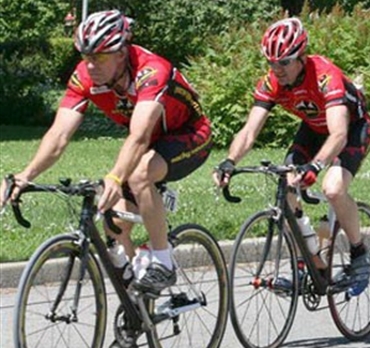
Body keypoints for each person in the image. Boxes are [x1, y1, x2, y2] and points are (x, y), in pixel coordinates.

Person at [0, 10, 213, 296]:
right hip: (150, 142)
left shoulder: (151, 71)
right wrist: (25, 175)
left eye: (99, 57)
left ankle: (163, 262)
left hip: (190, 134)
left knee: (138, 176)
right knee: (115, 224)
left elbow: (138, 137)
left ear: (122, 53)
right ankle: (137, 302)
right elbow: (59, 134)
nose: (90, 65)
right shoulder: (85, 77)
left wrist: (114, 177)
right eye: (86, 56)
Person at [212, 17, 370, 296]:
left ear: (301, 56)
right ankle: (310, 261)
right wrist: (230, 161)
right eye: (271, 63)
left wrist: (317, 165)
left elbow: (338, 134)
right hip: (312, 130)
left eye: (284, 62)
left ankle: (359, 252)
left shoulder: (325, 75)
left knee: (332, 189)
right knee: (286, 186)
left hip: (350, 129)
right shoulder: (271, 83)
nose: (277, 69)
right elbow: (249, 131)